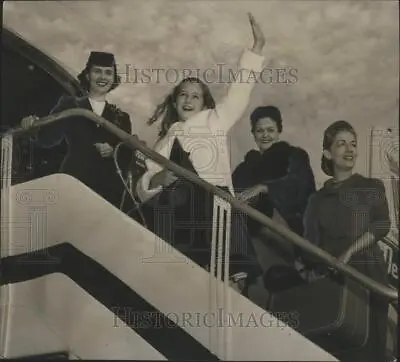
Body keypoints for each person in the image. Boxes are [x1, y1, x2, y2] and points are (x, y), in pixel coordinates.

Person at [136, 13, 265, 293]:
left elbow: (239, 93)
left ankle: (234, 281)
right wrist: (160, 180)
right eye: (183, 94)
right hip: (182, 213)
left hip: (215, 207)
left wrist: (256, 49)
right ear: (174, 101)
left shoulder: (214, 120)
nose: (189, 99)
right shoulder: (165, 141)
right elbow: (148, 181)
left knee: (227, 277)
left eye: (195, 95)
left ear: (205, 102)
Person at [302, 120, 391, 362]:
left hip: (368, 276)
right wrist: (314, 269)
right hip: (332, 279)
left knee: (368, 351)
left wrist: (350, 251)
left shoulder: (371, 186)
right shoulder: (316, 201)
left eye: (353, 144)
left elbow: (382, 224)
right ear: (327, 153)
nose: (350, 149)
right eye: (341, 144)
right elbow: (309, 246)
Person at [21, 51, 134, 208]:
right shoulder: (71, 105)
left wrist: (112, 150)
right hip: (73, 184)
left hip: (106, 193)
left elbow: (127, 155)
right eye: (97, 71)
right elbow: (47, 139)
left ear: (114, 78)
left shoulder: (122, 118)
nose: (103, 77)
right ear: (88, 75)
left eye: (108, 73)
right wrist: (31, 127)